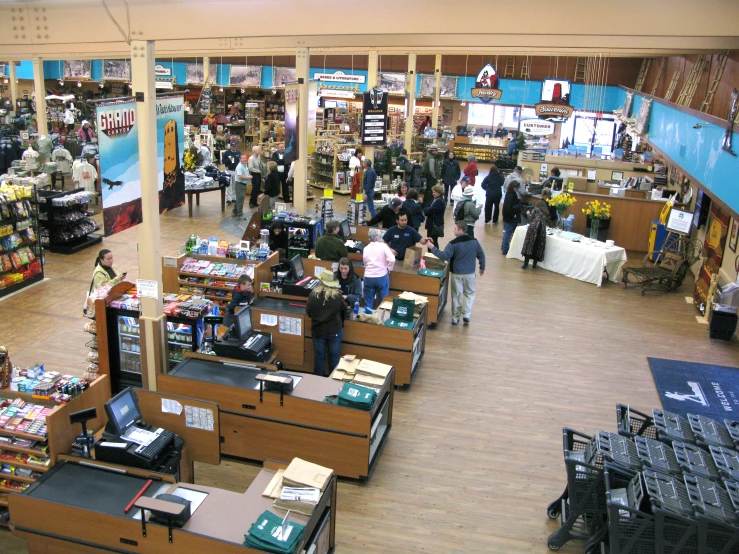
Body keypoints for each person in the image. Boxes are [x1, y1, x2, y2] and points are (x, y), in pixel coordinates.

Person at [427, 220, 485, 326]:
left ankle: (455, 318)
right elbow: (481, 254)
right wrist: (482, 267)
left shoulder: (452, 244)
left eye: (455, 229)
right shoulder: (474, 241)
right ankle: (466, 315)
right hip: (470, 273)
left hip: (456, 273)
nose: (453, 230)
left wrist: (432, 248)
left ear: (461, 230)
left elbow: (444, 256)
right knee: (469, 293)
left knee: (456, 295)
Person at [306, 271, 347, 377]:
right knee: (334, 357)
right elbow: (344, 308)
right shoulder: (337, 296)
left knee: (319, 357)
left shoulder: (313, 295)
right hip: (334, 331)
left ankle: (318, 381)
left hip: (318, 330)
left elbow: (308, 312)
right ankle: (332, 382)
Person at [362, 228, 395, 309]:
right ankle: (381, 318)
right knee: (382, 302)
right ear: (377, 238)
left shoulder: (365, 248)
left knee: (368, 303)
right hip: (382, 276)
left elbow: (365, 262)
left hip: (368, 277)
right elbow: (392, 259)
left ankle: (367, 317)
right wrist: (389, 268)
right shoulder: (383, 246)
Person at [521, 201, 548, 270]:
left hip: (533, 228)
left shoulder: (535, 210)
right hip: (542, 230)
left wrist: (527, 213)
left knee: (529, 245)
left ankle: (525, 264)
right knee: (538, 246)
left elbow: (530, 218)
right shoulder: (545, 213)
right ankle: (534, 265)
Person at [501, 181, 522, 255]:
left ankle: (503, 246)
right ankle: (505, 249)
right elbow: (509, 208)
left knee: (507, 232)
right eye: (517, 187)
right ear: (514, 187)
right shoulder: (512, 195)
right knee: (508, 232)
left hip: (508, 216)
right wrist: (514, 215)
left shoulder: (509, 193)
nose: (518, 189)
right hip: (510, 217)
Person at [424, 184, 446, 248]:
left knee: (432, 241)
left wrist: (427, 209)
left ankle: (433, 255)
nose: (433, 194)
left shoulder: (440, 201)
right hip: (432, 225)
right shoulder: (435, 199)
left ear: (439, 192)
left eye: (434, 192)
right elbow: (426, 207)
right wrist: (427, 209)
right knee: (432, 241)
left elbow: (428, 211)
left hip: (434, 225)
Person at [232, 154, 251, 219]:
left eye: (245, 158)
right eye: (243, 158)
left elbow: (246, 173)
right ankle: (239, 214)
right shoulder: (239, 166)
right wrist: (248, 177)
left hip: (243, 184)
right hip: (239, 184)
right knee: (240, 199)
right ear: (240, 159)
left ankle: (234, 212)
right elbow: (239, 176)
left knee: (239, 199)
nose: (245, 159)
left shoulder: (245, 165)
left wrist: (248, 176)